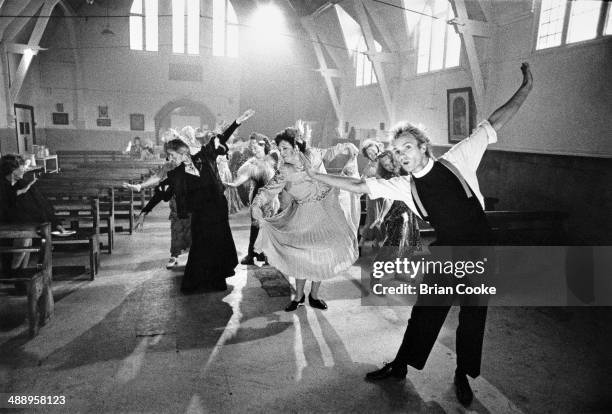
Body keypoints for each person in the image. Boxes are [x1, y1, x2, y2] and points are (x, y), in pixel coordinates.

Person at [304, 63, 533, 406]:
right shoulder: (403, 186)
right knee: (425, 312)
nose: (401, 155)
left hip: (482, 252)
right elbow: (357, 184)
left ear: (423, 146)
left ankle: (463, 373)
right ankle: (399, 365)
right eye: (396, 152)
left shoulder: (459, 158)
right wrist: (316, 177)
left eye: (407, 147)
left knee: (473, 317)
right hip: (448, 254)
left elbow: (494, 122)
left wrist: (525, 89)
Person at [251, 127, 359, 311]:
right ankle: (299, 296)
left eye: (285, 148)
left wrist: (346, 145)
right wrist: (255, 205)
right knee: (301, 254)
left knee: (322, 254)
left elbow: (330, 152)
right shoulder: (284, 170)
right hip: (302, 214)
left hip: (327, 209)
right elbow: (268, 191)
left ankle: (314, 296)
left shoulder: (313, 154)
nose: (281, 152)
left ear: (296, 147)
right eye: (279, 148)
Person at [164, 109, 255, 293]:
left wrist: (237, 122)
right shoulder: (180, 170)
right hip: (200, 211)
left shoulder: (205, 155)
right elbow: (166, 186)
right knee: (201, 244)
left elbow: (221, 138)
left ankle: (217, 279)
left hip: (217, 207)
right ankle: (199, 280)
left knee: (218, 242)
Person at [223, 133, 279, 265]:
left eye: (256, 146)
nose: (253, 149)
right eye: (252, 147)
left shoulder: (274, 157)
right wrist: (231, 184)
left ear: (263, 145)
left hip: (271, 198)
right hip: (258, 198)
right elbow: (241, 178)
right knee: (255, 227)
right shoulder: (251, 163)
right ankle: (251, 255)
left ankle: (266, 255)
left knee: (269, 227)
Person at [369, 150, 421, 267]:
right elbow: (388, 199)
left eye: (391, 162)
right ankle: (376, 274)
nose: (390, 167)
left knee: (408, 244)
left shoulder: (405, 170)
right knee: (392, 245)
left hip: (409, 211)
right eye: (386, 165)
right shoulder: (387, 177)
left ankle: (399, 272)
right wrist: (380, 217)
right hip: (396, 214)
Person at [359, 139, 385, 249]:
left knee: (379, 218)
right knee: (372, 217)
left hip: (382, 194)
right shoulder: (370, 163)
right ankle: (364, 242)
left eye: (373, 151)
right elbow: (363, 176)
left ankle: (374, 240)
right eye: (369, 153)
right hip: (371, 194)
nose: (372, 154)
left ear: (377, 149)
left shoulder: (384, 161)